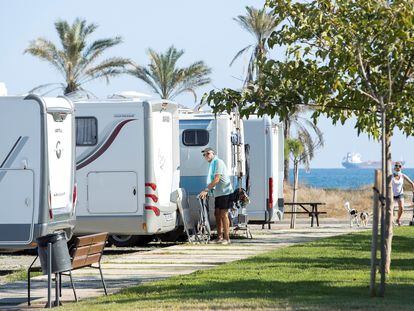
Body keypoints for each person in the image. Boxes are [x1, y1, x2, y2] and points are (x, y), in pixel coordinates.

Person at [199, 147, 233, 244]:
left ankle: (227, 238)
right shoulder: (212, 164)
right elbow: (212, 180)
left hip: (225, 192)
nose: (206, 156)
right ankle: (219, 237)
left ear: (213, 154)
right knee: (217, 214)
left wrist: (206, 190)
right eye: (204, 154)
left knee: (223, 214)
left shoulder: (218, 162)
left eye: (208, 153)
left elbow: (217, 179)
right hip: (218, 193)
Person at [392, 162, 414, 226]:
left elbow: (412, 183)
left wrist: (413, 191)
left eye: (399, 166)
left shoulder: (402, 175)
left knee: (401, 208)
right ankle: (391, 220)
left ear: (401, 167)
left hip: (400, 194)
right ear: (394, 167)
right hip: (392, 195)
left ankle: (398, 219)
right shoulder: (391, 176)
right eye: (396, 165)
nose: (397, 167)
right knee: (391, 208)